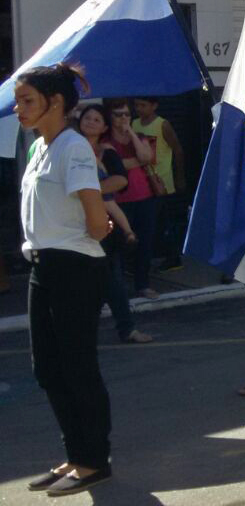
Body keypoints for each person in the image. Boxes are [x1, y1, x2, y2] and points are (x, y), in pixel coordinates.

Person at [17, 64, 116, 497]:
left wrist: (97, 228)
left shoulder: (73, 146)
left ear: (56, 103)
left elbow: (95, 215)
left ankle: (93, 459)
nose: (19, 109)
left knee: (77, 367)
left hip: (73, 267)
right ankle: (75, 455)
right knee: (49, 369)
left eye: (28, 101)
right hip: (44, 266)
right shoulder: (43, 146)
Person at [76, 105, 154, 346]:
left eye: (96, 119)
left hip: (102, 225)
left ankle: (127, 329)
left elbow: (120, 180)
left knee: (113, 280)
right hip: (74, 226)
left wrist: (86, 191)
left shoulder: (107, 153)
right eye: (87, 117)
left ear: (104, 127)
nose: (90, 122)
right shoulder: (70, 148)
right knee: (79, 283)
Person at [103, 99, 156, 298]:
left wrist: (131, 133)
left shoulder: (139, 136)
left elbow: (146, 156)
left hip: (144, 197)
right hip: (119, 201)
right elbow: (116, 166)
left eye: (126, 114)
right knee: (120, 244)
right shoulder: (105, 141)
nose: (123, 118)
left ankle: (142, 284)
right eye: (118, 114)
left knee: (145, 242)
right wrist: (137, 161)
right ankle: (119, 288)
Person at [131, 96, 186, 273]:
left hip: (162, 180)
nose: (139, 109)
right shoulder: (134, 124)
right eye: (137, 105)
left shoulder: (163, 124)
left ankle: (173, 257)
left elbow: (177, 149)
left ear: (154, 106)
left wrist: (179, 177)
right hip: (142, 179)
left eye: (143, 105)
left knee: (164, 221)